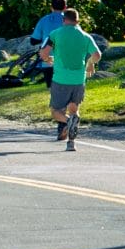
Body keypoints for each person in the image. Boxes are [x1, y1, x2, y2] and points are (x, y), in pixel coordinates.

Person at [39, 8, 99, 151]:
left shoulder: (55, 34)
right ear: (77, 20)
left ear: (64, 20)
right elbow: (97, 55)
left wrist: (48, 59)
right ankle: (71, 143)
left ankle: (67, 121)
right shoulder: (86, 36)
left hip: (61, 79)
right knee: (74, 109)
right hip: (79, 80)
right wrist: (90, 64)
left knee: (55, 112)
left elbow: (43, 52)